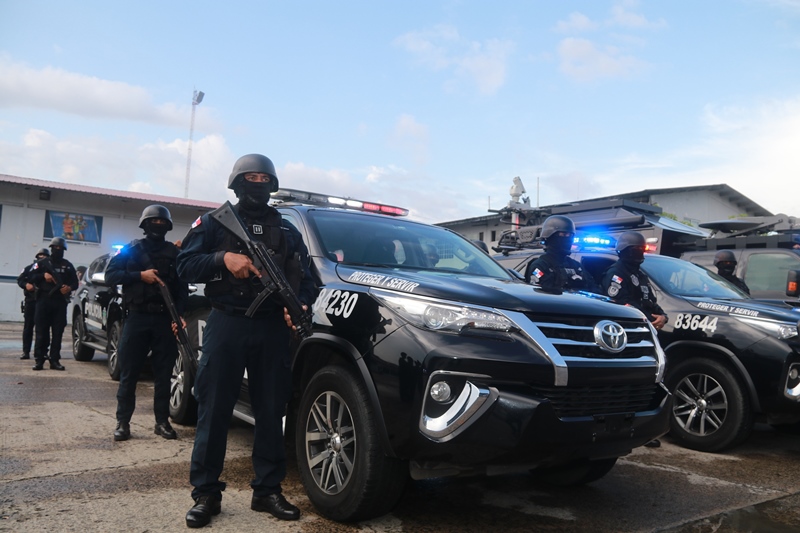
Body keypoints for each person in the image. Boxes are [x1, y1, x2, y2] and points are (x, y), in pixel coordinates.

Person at [177, 154, 317, 528]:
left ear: (272, 185)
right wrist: (223, 259)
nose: (257, 183)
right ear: (238, 183)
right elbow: (184, 266)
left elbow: (306, 279)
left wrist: (300, 304)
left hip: (271, 329)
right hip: (227, 323)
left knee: (271, 412)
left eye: (263, 178)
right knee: (214, 410)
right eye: (250, 177)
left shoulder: (287, 231)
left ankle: (267, 490)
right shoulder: (213, 222)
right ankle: (206, 493)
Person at [105, 205, 189, 442]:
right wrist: (140, 276)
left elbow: (182, 290)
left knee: (164, 374)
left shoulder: (174, 253)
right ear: (144, 224)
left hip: (164, 320)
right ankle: (123, 423)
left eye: (162, 222)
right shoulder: (131, 250)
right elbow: (111, 276)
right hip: (137, 317)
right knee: (129, 373)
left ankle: (162, 422)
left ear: (168, 226)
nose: (158, 225)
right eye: (154, 222)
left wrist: (179, 315)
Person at [600, 231, 668, 331]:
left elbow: (650, 301)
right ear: (623, 250)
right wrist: (648, 318)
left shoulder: (640, 275)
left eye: (642, 249)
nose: (639, 252)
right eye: (636, 249)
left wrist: (663, 316)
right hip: (625, 329)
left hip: (645, 328)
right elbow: (622, 303)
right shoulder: (616, 273)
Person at [29, 237, 79, 371]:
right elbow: (30, 277)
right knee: (41, 332)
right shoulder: (42, 264)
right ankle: (39, 360)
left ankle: (54, 360)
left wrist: (68, 288)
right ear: (51, 249)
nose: (58, 250)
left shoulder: (67, 265)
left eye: (60, 248)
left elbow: (75, 282)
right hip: (43, 300)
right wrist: (43, 276)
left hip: (59, 302)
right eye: (55, 248)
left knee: (58, 332)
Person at [524, 215, 598, 293]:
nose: (568, 239)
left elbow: (594, 289)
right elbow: (541, 295)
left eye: (570, 235)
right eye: (563, 234)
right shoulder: (539, 266)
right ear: (550, 236)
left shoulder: (576, 266)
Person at [17, 248, 50, 360]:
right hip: (31, 301)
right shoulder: (29, 268)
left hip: (44, 302)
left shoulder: (50, 270)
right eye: (40, 255)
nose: (42, 257)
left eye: (45, 255)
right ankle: (26, 351)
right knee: (28, 328)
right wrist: (26, 285)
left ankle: (42, 352)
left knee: (43, 329)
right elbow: (20, 280)